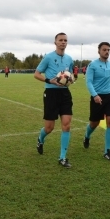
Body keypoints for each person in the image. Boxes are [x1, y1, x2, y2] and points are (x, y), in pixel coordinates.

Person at [34, 32, 74, 168]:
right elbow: (36, 74)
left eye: (65, 40)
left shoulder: (69, 59)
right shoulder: (48, 57)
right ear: (55, 42)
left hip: (65, 94)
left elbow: (73, 73)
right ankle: (40, 139)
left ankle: (62, 157)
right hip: (51, 93)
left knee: (66, 125)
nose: (63, 42)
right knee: (49, 128)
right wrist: (48, 80)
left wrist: (71, 79)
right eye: (61, 40)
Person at [83, 42, 110, 162]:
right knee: (94, 123)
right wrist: (95, 95)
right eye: (104, 49)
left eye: (108, 50)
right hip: (97, 98)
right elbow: (89, 82)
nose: (107, 52)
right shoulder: (92, 65)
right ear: (99, 51)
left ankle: (107, 151)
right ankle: (87, 137)